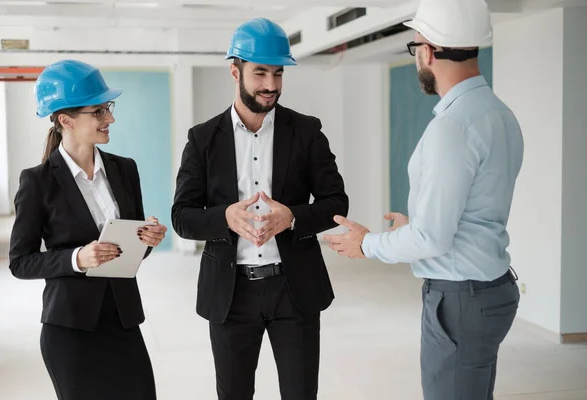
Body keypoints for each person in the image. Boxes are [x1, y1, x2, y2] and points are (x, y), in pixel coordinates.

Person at [324, 0, 524, 399]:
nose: (417, 58)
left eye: (415, 48)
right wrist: (413, 228)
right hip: (489, 288)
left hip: (460, 299)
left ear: (429, 50)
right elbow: (471, 212)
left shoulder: (452, 127)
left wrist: (366, 243)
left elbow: (433, 238)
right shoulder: (499, 114)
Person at [171, 17, 348, 400]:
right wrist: (224, 217)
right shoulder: (202, 140)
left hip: (294, 288)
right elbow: (181, 217)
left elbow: (337, 202)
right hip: (230, 295)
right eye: (260, 73)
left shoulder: (306, 131)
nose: (271, 86)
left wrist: (294, 217)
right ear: (235, 71)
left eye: (278, 74)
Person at [9, 59, 167, 400]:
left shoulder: (125, 170)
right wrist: (79, 258)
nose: (110, 118)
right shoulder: (37, 182)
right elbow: (20, 262)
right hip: (70, 329)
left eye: (107, 108)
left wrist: (148, 239)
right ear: (66, 119)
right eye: (98, 111)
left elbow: (134, 247)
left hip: (124, 322)